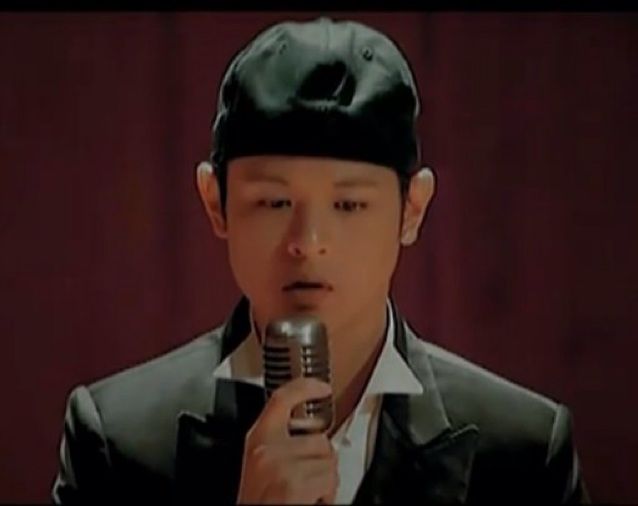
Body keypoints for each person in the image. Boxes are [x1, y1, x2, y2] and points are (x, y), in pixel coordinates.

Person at [51, 17, 589, 504]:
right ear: (216, 203)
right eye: (274, 202)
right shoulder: (118, 441)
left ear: (412, 210)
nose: (307, 242)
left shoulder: (523, 451)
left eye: (349, 205)